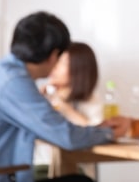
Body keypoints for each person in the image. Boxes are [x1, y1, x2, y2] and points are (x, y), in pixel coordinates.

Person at [0, 11, 130, 182]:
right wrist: (109, 132)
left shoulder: (1, 74)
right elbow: (66, 137)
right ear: (54, 56)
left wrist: (97, 130)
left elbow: (56, 130)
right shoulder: (13, 83)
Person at [35, 41, 103, 179]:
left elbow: (97, 134)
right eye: (55, 61)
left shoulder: (91, 100)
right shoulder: (41, 96)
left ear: (79, 68)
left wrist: (64, 107)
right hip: (43, 167)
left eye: (62, 63)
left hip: (80, 169)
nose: (54, 67)